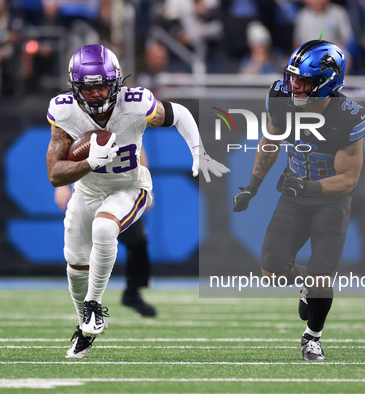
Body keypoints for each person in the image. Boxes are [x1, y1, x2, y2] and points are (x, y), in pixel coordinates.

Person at [46, 44, 229, 358]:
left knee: (106, 228)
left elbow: (179, 113)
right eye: (88, 90)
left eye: (102, 86)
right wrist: (89, 163)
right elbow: (54, 172)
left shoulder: (136, 103)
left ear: (117, 83)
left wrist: (198, 150)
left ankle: (94, 305)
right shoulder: (63, 111)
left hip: (129, 187)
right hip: (86, 192)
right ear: (74, 89)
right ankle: (84, 327)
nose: (96, 95)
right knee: (75, 263)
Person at [232, 40, 365, 361]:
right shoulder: (281, 99)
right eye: (293, 78)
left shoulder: (348, 116)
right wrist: (252, 186)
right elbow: (270, 140)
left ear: (328, 82)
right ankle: (309, 281)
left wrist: (307, 188)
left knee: (321, 276)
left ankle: (313, 337)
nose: (295, 86)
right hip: (294, 197)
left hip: (330, 200)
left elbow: (348, 179)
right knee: (271, 270)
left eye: (304, 82)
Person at [54, 146, 157, 318]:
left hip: (122, 192)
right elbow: (66, 149)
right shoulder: (79, 121)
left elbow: (139, 149)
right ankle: (86, 304)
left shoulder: (124, 120)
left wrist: (145, 186)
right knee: (82, 252)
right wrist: (62, 186)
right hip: (89, 193)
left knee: (138, 241)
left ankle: (132, 293)